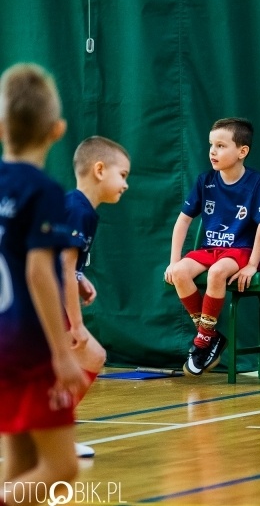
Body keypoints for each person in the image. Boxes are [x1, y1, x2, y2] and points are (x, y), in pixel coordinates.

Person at [0, 63, 89, 502]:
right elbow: (37, 270)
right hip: (30, 345)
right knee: (60, 467)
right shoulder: (45, 191)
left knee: (20, 463)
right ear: (57, 130)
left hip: (1, 341)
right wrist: (62, 353)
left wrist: (69, 274)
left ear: (1, 128)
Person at [164, 118, 260, 376]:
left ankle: (203, 340)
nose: (212, 151)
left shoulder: (257, 183)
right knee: (181, 273)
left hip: (245, 250)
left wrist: (251, 265)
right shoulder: (205, 181)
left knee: (217, 272)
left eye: (220, 145)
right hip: (211, 249)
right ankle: (210, 336)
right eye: (211, 145)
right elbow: (183, 221)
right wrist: (174, 260)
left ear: (242, 151)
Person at [61, 136, 130, 459]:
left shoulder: (79, 208)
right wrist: (76, 325)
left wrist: (80, 278)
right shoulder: (78, 210)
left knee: (91, 358)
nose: (126, 185)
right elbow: (62, 266)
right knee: (87, 357)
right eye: (124, 175)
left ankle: (52, 434)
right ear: (99, 170)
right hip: (37, 306)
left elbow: (63, 262)